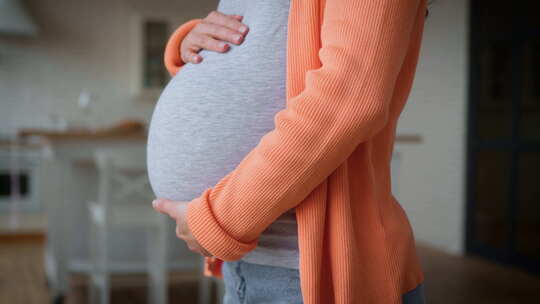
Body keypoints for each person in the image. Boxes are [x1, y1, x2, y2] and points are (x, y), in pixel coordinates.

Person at [151, 0, 429, 303]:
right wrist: (192, 45)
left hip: (311, 276)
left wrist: (220, 220)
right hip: (246, 267)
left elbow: (349, 97)